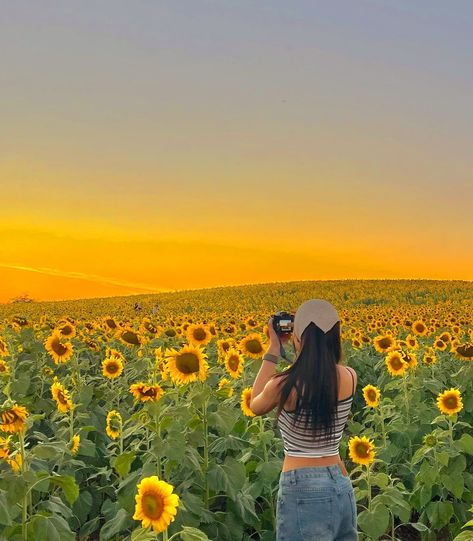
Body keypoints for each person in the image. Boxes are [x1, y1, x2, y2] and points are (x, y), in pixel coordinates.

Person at [249, 299, 358, 541]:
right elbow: (324, 372)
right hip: (340, 483)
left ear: (298, 338)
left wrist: (274, 349)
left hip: (303, 487)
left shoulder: (284, 385)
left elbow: (253, 404)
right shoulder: (350, 377)